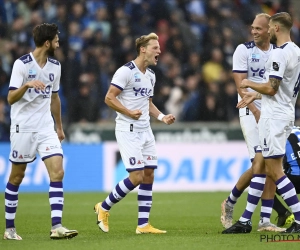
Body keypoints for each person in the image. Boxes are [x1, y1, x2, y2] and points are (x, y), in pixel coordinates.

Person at [223, 12, 300, 234]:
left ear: (274, 28)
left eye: (262, 27)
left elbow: (271, 88)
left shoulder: (278, 55)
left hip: (272, 115)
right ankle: (249, 220)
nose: (254, 31)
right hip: (285, 111)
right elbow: (281, 89)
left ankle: (297, 218)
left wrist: (249, 84)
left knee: (274, 170)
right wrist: (255, 97)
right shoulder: (296, 51)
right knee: (264, 165)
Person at [94, 33, 176, 234]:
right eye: (155, 48)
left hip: (145, 130)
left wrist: (162, 117)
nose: (159, 51)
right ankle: (103, 207)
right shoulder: (125, 72)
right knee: (137, 176)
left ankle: (143, 225)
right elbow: (109, 98)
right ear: (143, 49)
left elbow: (147, 103)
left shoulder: (151, 75)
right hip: (127, 130)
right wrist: (129, 112)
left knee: (149, 175)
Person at [4, 23, 78, 240]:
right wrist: (26, 86)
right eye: (56, 39)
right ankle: (9, 229)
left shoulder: (56, 66)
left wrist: (59, 127)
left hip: (45, 127)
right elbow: (10, 98)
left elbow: (54, 98)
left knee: (58, 171)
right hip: (23, 127)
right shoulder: (22, 65)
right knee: (17, 177)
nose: (58, 42)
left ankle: (56, 226)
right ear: (47, 43)